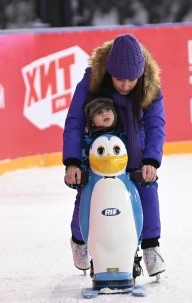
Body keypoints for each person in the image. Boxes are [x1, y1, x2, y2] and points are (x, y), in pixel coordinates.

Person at [63, 33, 166, 277]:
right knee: (87, 195)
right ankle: (80, 240)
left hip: (134, 150)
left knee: (147, 189)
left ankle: (151, 247)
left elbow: (156, 124)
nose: (126, 85)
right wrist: (72, 162)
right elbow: (75, 120)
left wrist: (151, 160)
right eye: (120, 79)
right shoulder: (93, 81)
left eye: (132, 79)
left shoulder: (149, 87)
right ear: (110, 71)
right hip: (97, 150)